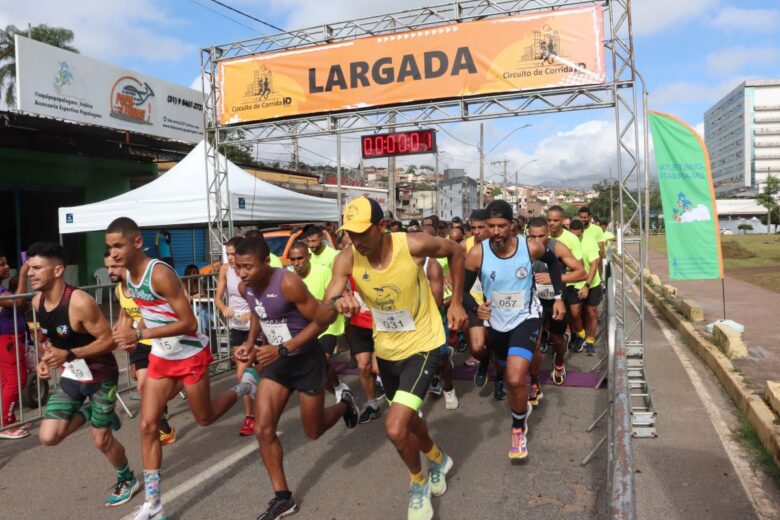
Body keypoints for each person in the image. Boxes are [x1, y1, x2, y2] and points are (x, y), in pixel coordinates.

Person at [321, 196, 467, 520]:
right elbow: (329, 295)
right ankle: (439, 458)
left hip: (423, 344)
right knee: (410, 419)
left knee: (395, 426)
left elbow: (456, 252)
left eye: (361, 232)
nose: (355, 240)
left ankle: (417, 482)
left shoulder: (412, 245)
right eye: (350, 233)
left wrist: (456, 302)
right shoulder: (347, 258)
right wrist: (338, 302)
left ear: (382, 226)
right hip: (386, 349)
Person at [106, 217, 259, 520]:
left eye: (119, 246)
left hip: (189, 353)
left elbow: (189, 322)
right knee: (148, 426)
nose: (113, 254)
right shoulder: (124, 276)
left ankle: (245, 385)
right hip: (162, 356)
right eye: (109, 248)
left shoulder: (159, 274)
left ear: (137, 242)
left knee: (205, 417)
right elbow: (136, 311)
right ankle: (154, 504)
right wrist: (124, 329)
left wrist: (139, 335)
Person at [233, 236, 358, 520]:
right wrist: (251, 342)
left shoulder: (287, 283)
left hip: (305, 361)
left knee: (313, 431)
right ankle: (283, 498)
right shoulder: (246, 287)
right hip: (277, 365)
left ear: (266, 262)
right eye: (238, 266)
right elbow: (258, 312)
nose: (242, 273)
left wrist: (283, 348)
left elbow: (321, 320)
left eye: (248, 267)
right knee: (263, 429)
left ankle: (344, 405)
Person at [28, 241, 139, 507]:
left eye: (37, 268)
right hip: (73, 373)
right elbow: (48, 338)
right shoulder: (37, 301)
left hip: (101, 375)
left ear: (57, 270)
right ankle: (91, 413)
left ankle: (127, 478)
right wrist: (45, 358)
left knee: (101, 439)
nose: (30, 273)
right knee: (48, 437)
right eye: (29, 268)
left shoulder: (79, 302)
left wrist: (70, 355)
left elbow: (108, 341)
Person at [463, 201, 565, 463]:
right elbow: (463, 292)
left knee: (516, 378)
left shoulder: (530, 247)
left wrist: (558, 296)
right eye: (490, 226)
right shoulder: (477, 253)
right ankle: (520, 409)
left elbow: (554, 265)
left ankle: (518, 428)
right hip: (497, 322)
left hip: (526, 318)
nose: (495, 231)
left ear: (512, 226)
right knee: (508, 376)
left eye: (501, 226)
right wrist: (476, 308)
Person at [104, 252, 177, 445]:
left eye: (114, 267)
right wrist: (120, 327)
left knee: (159, 390)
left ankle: (184, 383)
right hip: (140, 342)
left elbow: (148, 313)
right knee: (143, 386)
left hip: (160, 340)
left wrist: (134, 331)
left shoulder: (143, 287)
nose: (109, 271)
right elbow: (126, 311)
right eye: (107, 267)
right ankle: (164, 430)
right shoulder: (119, 290)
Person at [526, 218, 586, 388]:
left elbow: (582, 273)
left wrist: (553, 278)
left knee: (557, 339)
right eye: (533, 236)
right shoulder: (523, 247)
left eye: (541, 236)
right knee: (534, 341)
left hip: (555, 300)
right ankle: (535, 381)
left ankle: (559, 361)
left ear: (548, 233)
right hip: (532, 301)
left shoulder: (557, 246)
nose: (537, 241)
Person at [287, 241, 350, 399]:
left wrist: (311, 301)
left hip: (328, 324)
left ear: (309, 256)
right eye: (293, 259)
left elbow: (333, 300)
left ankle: (318, 401)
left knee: (321, 361)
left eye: (300, 258)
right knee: (321, 364)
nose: (297, 263)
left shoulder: (323, 271)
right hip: (306, 327)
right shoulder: (288, 278)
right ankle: (338, 386)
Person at [214, 236, 256, 436]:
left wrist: (252, 311)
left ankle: (251, 417)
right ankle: (256, 408)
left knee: (243, 372)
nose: (230, 258)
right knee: (244, 370)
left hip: (254, 324)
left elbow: (260, 296)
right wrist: (224, 308)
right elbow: (218, 298)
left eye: (233, 254)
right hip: (237, 324)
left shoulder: (249, 269)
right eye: (227, 254)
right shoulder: (225, 269)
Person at [547, 206, 587, 353]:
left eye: (555, 220)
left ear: (563, 220)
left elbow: (581, 268)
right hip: (545, 287)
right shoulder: (542, 236)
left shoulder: (571, 239)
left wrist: (584, 286)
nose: (551, 223)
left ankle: (578, 335)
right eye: (549, 220)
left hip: (569, 284)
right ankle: (556, 340)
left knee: (574, 313)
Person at [0, 250, 30, 439]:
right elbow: (17, 300)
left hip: (10, 339)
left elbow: (20, 305)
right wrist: (24, 274)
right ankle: (8, 425)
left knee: (7, 381)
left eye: (6, 263)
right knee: (17, 380)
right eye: (2, 264)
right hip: (7, 340)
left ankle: (9, 419)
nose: (6, 266)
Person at [569, 219, 603, 356]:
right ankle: (581, 335)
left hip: (591, 282)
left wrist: (587, 286)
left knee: (591, 313)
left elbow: (594, 265)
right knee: (574, 313)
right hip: (574, 283)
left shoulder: (589, 243)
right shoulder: (566, 243)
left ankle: (590, 340)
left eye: (578, 236)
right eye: (573, 236)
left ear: (583, 233)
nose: (575, 239)